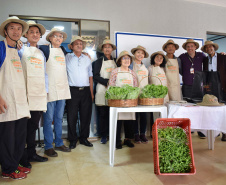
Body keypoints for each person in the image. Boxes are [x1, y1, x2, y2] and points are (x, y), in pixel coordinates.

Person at [0, 16, 31, 179]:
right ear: (6, 31)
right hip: (6, 100)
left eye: (19, 29)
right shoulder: (0, 47)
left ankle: (15, 163)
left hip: (20, 100)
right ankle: (7, 169)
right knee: (7, 138)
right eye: (12, 28)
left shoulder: (18, 50)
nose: (16, 31)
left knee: (19, 136)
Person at [18, 20, 49, 169]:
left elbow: (44, 74)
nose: (35, 35)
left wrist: (46, 91)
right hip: (24, 95)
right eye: (32, 32)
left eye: (37, 33)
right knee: (22, 128)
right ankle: (22, 156)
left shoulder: (41, 53)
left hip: (38, 94)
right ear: (25, 34)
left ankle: (32, 153)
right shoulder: (20, 50)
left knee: (33, 127)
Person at [39, 28, 71, 157]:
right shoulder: (44, 49)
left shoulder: (63, 50)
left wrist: (85, 54)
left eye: (61, 36)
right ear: (50, 38)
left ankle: (59, 142)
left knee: (59, 118)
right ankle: (48, 145)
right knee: (48, 119)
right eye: (56, 36)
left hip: (62, 88)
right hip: (50, 89)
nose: (58, 38)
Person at [66, 36, 94, 149]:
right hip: (72, 90)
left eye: (81, 44)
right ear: (71, 46)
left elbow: (90, 76)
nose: (79, 45)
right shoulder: (66, 57)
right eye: (76, 43)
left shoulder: (87, 58)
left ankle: (84, 138)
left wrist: (91, 93)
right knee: (71, 116)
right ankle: (72, 139)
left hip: (86, 90)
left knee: (85, 116)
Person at [109, 50, 138, 149]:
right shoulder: (115, 71)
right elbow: (111, 86)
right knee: (117, 121)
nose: (127, 60)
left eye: (128, 58)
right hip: (118, 101)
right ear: (120, 61)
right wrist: (116, 96)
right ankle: (117, 140)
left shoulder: (132, 73)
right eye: (124, 58)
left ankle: (128, 139)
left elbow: (135, 86)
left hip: (130, 101)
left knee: (129, 120)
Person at [179, 39, 206, 138]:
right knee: (188, 109)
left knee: (199, 108)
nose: (190, 48)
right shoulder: (182, 57)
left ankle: (200, 130)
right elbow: (179, 69)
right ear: (186, 48)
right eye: (188, 47)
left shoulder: (201, 56)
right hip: (187, 85)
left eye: (192, 46)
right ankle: (190, 128)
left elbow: (211, 61)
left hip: (199, 85)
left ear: (195, 47)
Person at [93, 39, 117, 144]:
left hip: (113, 90)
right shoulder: (98, 61)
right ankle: (103, 135)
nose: (107, 49)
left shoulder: (116, 61)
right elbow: (95, 75)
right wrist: (107, 82)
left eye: (109, 47)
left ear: (112, 49)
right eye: (105, 47)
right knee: (102, 114)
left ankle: (112, 134)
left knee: (112, 113)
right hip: (102, 89)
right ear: (102, 49)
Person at [202, 40, 226, 141]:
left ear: (214, 48)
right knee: (213, 110)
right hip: (211, 87)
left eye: (210, 47)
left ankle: (225, 132)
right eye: (207, 48)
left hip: (222, 86)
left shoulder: (223, 56)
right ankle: (215, 132)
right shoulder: (205, 60)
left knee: (224, 110)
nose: (209, 49)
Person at [130, 45, 149, 143]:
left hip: (144, 94)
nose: (140, 54)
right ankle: (135, 134)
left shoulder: (144, 66)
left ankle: (143, 134)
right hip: (134, 94)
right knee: (134, 115)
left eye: (142, 53)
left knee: (144, 115)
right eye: (138, 52)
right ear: (134, 54)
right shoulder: (130, 65)